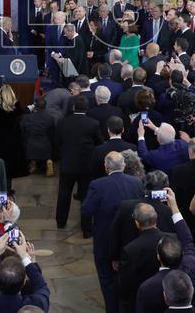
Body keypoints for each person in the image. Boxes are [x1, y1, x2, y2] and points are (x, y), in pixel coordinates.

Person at [81, 151, 145, 313]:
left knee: (108, 283)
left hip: (105, 242)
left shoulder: (97, 185)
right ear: (123, 166)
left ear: (106, 167)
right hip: (131, 241)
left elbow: (86, 211)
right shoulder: (136, 183)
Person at [54, 95, 100, 231]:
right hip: (86, 166)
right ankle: (86, 227)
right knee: (85, 195)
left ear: (73, 107)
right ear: (87, 107)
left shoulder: (63, 122)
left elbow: (56, 142)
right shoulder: (93, 123)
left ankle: (61, 222)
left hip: (67, 164)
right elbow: (99, 142)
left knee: (64, 194)